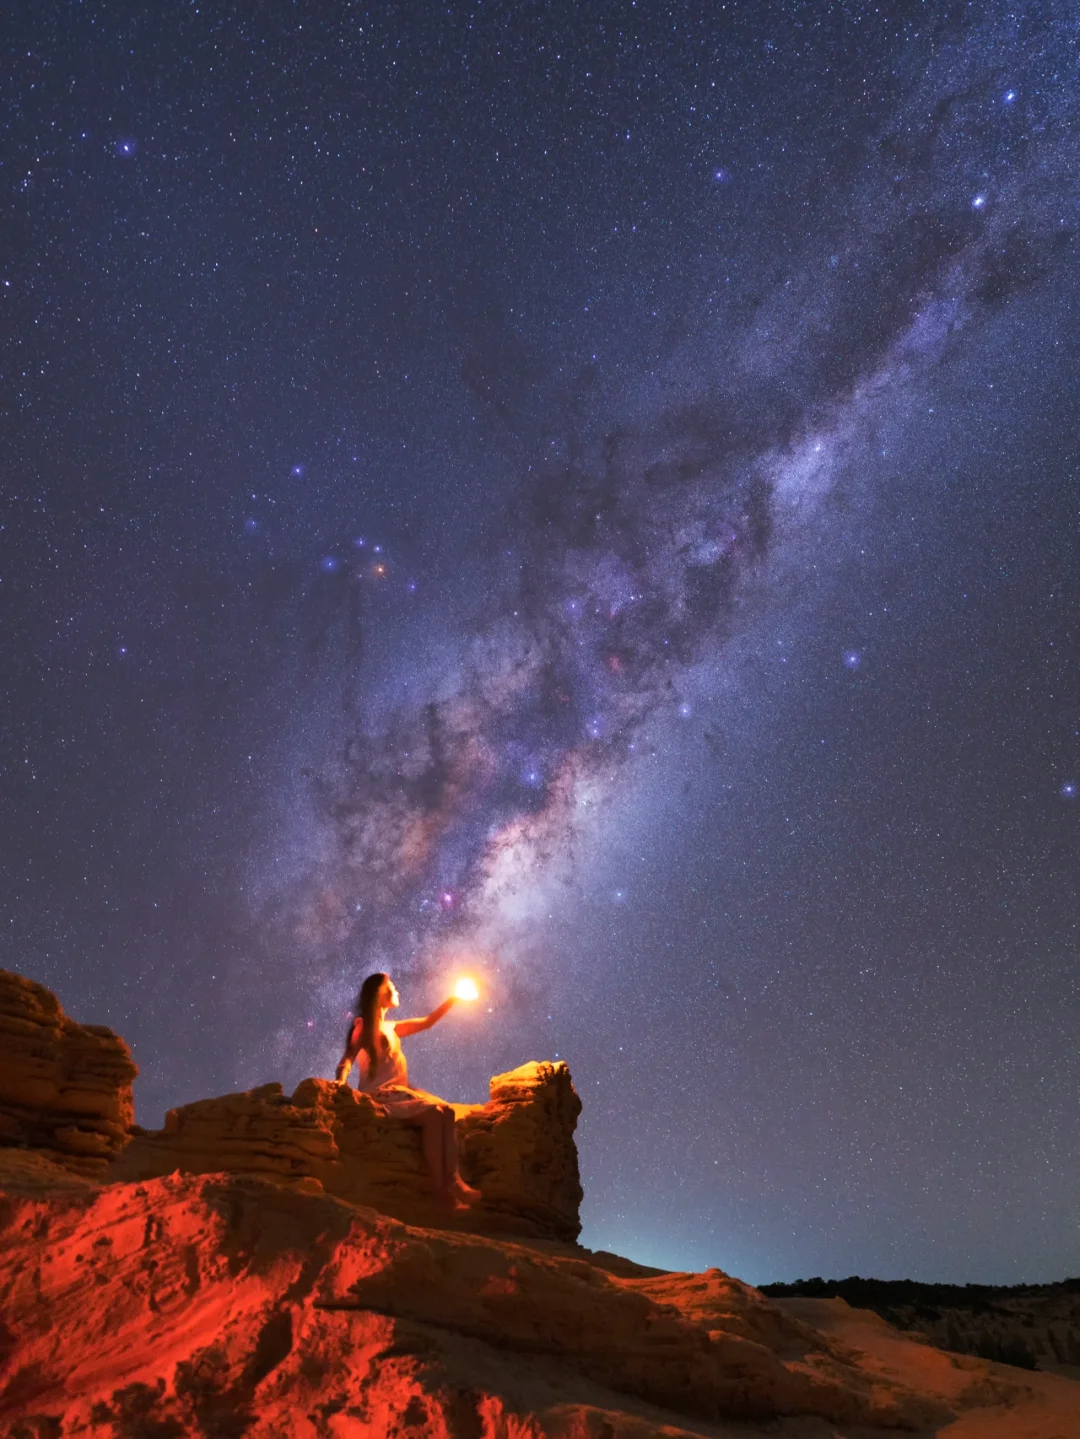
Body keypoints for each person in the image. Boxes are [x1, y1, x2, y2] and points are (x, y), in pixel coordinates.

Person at [335, 972, 481, 1210]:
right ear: (378, 994)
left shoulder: (391, 1027)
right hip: (381, 1095)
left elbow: (428, 1022)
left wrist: (454, 998)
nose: (396, 989)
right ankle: (442, 1188)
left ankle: (454, 1180)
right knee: (435, 1115)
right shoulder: (364, 1026)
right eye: (391, 986)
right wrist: (340, 1083)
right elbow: (347, 1059)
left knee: (447, 1113)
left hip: (399, 1093)